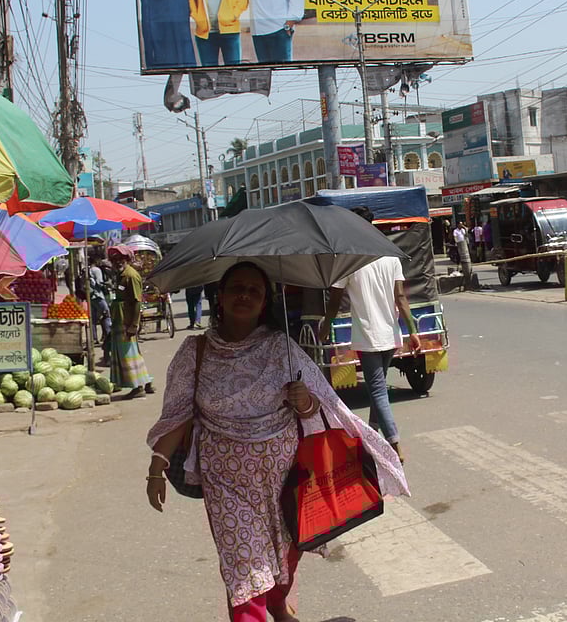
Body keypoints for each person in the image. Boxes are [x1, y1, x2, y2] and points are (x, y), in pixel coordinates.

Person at [145, 261, 408, 622]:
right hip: (227, 486)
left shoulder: (279, 347)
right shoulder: (195, 352)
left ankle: (279, 609)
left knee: (285, 555)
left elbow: (323, 403)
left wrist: (305, 401)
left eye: (255, 291)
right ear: (219, 297)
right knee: (245, 567)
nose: (245, 296)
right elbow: (177, 414)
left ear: (265, 301)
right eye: (237, 288)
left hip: (285, 479)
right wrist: (157, 467)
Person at [319, 207, 421, 462]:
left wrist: (325, 326)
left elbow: (334, 301)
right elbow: (401, 298)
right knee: (380, 390)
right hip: (390, 333)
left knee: (377, 391)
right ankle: (371, 437)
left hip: (368, 335)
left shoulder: (348, 259)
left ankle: (393, 443)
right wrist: (412, 331)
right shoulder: (390, 256)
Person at [107, 246, 154, 398]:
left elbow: (136, 301)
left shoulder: (131, 276)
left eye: (120, 259)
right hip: (119, 319)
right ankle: (146, 382)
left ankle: (138, 387)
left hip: (126, 321)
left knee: (128, 355)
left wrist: (134, 325)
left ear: (127, 259)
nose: (117, 262)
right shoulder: (121, 275)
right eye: (114, 260)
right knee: (132, 353)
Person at [88, 252, 113, 363]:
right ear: (96, 260)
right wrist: (109, 284)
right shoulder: (96, 270)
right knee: (107, 315)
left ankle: (94, 338)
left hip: (91, 297)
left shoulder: (87, 269)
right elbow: (100, 283)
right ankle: (107, 336)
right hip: (98, 296)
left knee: (93, 319)